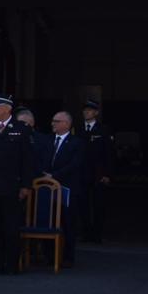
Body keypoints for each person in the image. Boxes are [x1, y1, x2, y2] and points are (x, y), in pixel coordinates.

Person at [0, 94, 37, 275]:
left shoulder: (21, 129)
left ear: (7, 108)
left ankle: (11, 264)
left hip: (11, 186)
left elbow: (27, 160)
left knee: (11, 228)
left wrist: (25, 185)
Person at [36, 111, 85, 266]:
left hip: (67, 188)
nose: (52, 124)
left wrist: (55, 175)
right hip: (47, 189)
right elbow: (40, 159)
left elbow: (75, 164)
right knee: (47, 220)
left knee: (68, 223)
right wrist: (43, 174)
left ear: (66, 124)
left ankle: (67, 257)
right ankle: (49, 255)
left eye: (56, 121)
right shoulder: (47, 140)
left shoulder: (76, 143)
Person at [77, 100, 113, 246]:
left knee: (99, 205)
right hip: (82, 174)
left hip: (98, 174)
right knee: (83, 204)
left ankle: (97, 234)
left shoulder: (103, 130)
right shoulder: (78, 129)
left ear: (96, 113)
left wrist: (107, 174)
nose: (86, 112)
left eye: (90, 110)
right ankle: (86, 233)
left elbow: (109, 154)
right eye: (85, 110)